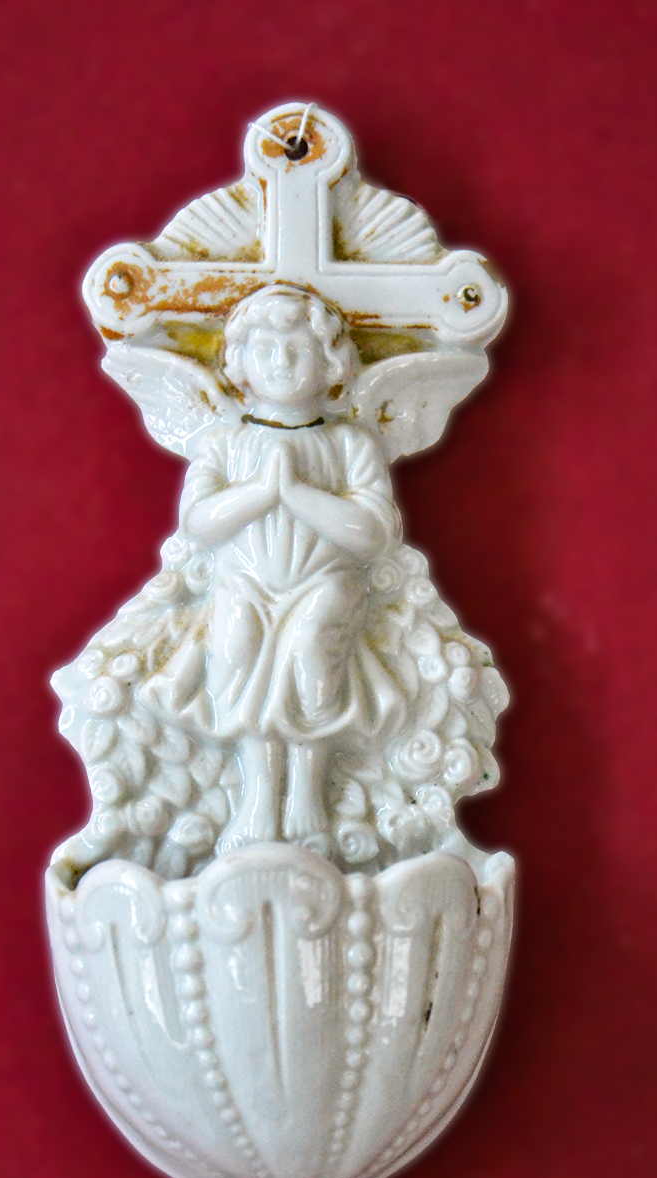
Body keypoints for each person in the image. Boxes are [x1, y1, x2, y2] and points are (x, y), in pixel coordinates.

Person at [144, 285, 401, 850]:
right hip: (246, 585)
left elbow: (373, 533)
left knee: (311, 658)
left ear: (330, 361)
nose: (281, 361)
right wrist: (261, 492)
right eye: (265, 349)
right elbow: (199, 523)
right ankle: (258, 799)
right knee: (237, 651)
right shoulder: (225, 442)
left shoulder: (349, 444)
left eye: (298, 348)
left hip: (324, 584)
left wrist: (299, 494)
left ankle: (307, 794)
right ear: (240, 363)